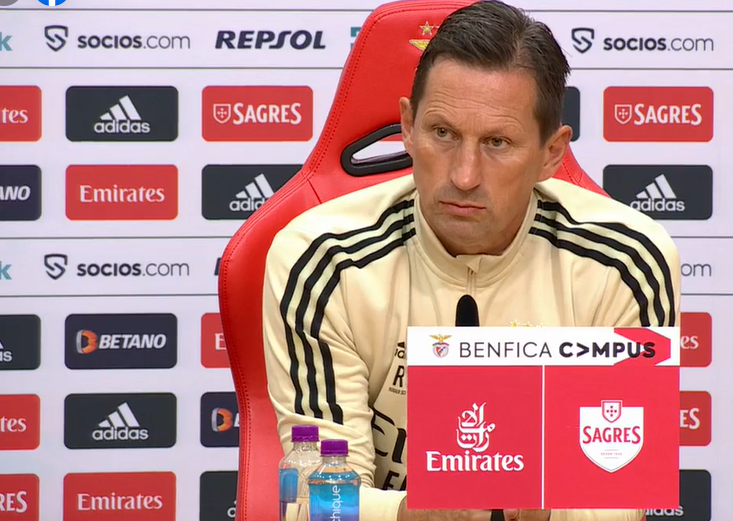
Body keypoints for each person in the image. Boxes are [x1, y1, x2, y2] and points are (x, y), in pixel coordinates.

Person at [262, 1, 681, 520]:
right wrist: (415, 514)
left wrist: (541, 509)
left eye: (497, 143)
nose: (463, 175)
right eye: (442, 133)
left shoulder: (625, 263)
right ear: (408, 127)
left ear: (551, 154)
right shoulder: (322, 260)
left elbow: (619, 498)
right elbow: (316, 501)